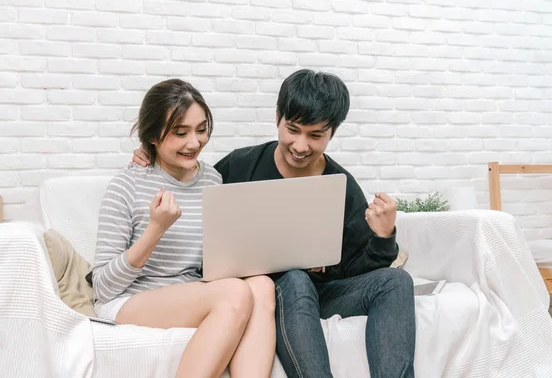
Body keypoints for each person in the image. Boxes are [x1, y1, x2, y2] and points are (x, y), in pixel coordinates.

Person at [132, 69, 416, 378]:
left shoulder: (341, 184)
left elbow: (356, 268)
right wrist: (153, 156)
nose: (300, 145)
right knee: (294, 277)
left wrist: (384, 236)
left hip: (319, 297)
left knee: (396, 281)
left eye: (316, 135)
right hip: (271, 295)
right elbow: (190, 186)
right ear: (277, 117)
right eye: (292, 129)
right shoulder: (241, 165)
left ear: (332, 133)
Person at [93, 78, 276, 378]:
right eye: (181, 133)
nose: (195, 143)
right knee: (234, 293)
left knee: (261, 286)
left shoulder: (213, 181)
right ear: (152, 136)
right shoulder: (127, 185)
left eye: (201, 130)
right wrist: (155, 229)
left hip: (191, 292)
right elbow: (102, 287)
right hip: (129, 300)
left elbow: (215, 263)